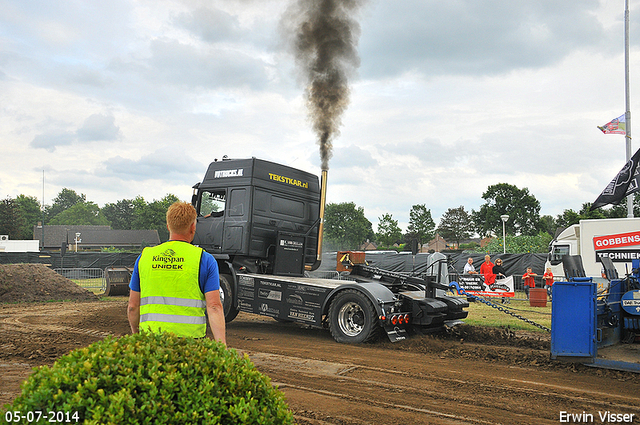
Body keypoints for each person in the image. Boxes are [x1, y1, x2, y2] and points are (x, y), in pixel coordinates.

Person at [128, 201, 226, 344]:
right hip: (191, 343)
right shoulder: (204, 259)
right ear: (193, 227)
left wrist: (137, 336)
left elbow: (132, 306)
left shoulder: (144, 257)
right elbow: (214, 307)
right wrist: (221, 347)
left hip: (151, 339)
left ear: (168, 227)